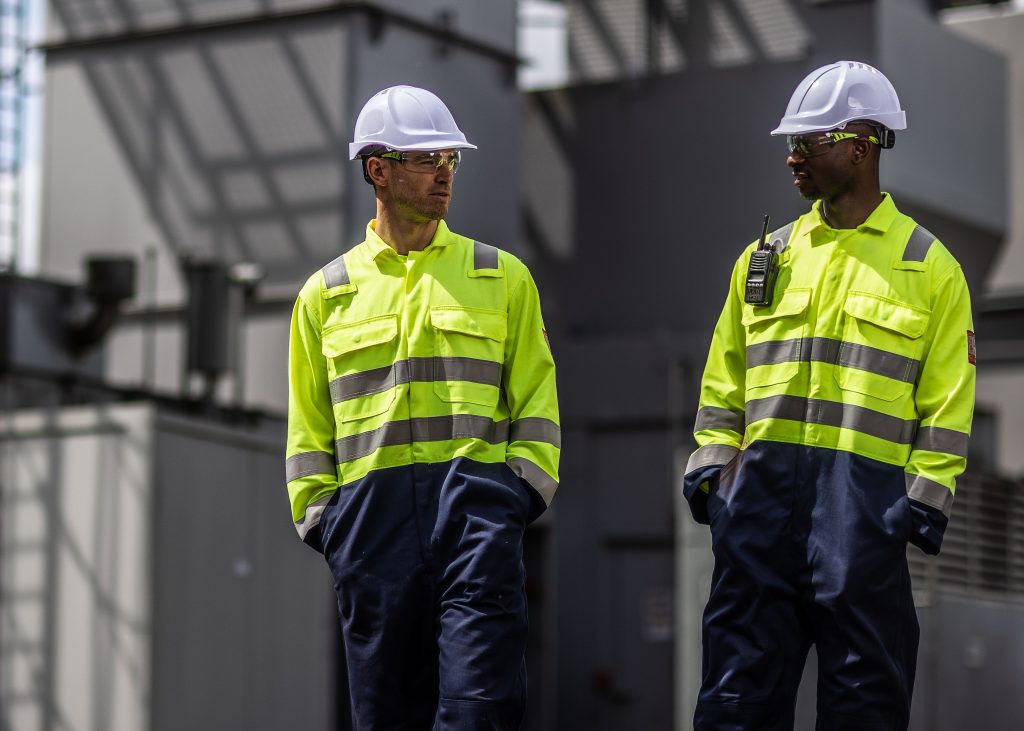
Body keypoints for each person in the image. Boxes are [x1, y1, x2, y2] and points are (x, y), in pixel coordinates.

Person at [682, 61, 975, 730]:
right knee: (733, 709)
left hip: (863, 531)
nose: (792, 157)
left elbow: (947, 408)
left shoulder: (928, 268)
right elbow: (723, 383)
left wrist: (911, 512)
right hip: (755, 525)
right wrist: (711, 480)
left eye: (807, 142)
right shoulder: (767, 257)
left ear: (861, 145)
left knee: (864, 710)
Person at [285, 85, 560, 730]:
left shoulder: (503, 277)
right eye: (426, 158)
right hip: (370, 533)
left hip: (477, 520)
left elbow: (538, 408)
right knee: (386, 716)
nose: (444, 173)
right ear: (377, 170)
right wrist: (329, 524)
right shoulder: (324, 296)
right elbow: (308, 428)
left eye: (451, 159)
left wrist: (514, 499)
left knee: (478, 710)